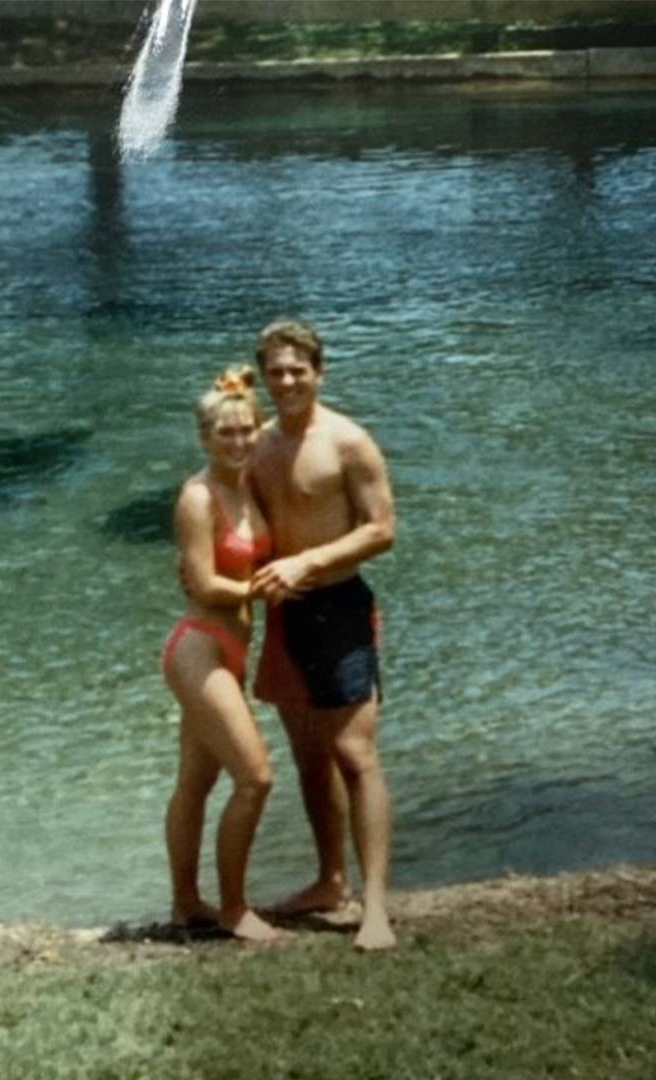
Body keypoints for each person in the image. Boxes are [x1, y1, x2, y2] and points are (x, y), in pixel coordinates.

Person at [249, 319, 397, 951]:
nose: (286, 381)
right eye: (275, 371)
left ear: (319, 371)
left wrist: (309, 563)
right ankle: (329, 882)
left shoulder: (348, 442)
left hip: (338, 607)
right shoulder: (257, 443)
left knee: (355, 758)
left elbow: (382, 528)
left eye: (297, 369)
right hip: (286, 615)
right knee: (311, 762)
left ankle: (377, 908)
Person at [162, 366, 280, 943]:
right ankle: (234, 909)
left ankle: (186, 904)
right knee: (255, 778)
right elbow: (205, 584)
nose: (237, 442)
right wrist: (272, 587)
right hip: (199, 650)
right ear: (204, 439)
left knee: (195, 783)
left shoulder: (246, 485)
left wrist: (246, 389)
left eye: (246, 431)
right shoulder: (197, 496)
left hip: (234, 651)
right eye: (224, 434)